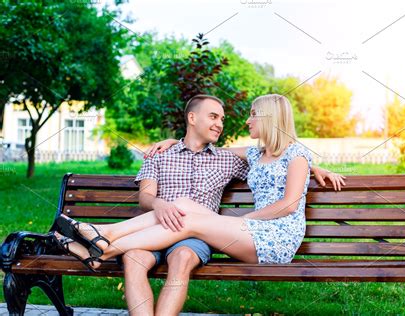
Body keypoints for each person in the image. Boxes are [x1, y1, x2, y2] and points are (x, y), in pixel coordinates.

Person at [53, 94, 346, 315]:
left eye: (253, 115)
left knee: (186, 220)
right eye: (215, 117)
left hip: (273, 236)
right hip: (246, 229)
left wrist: (313, 168)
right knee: (181, 204)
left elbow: (289, 202)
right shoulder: (255, 155)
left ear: (269, 118)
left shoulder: (292, 155)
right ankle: (106, 239)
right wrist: (171, 140)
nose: (245, 120)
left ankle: (105, 242)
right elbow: (220, 152)